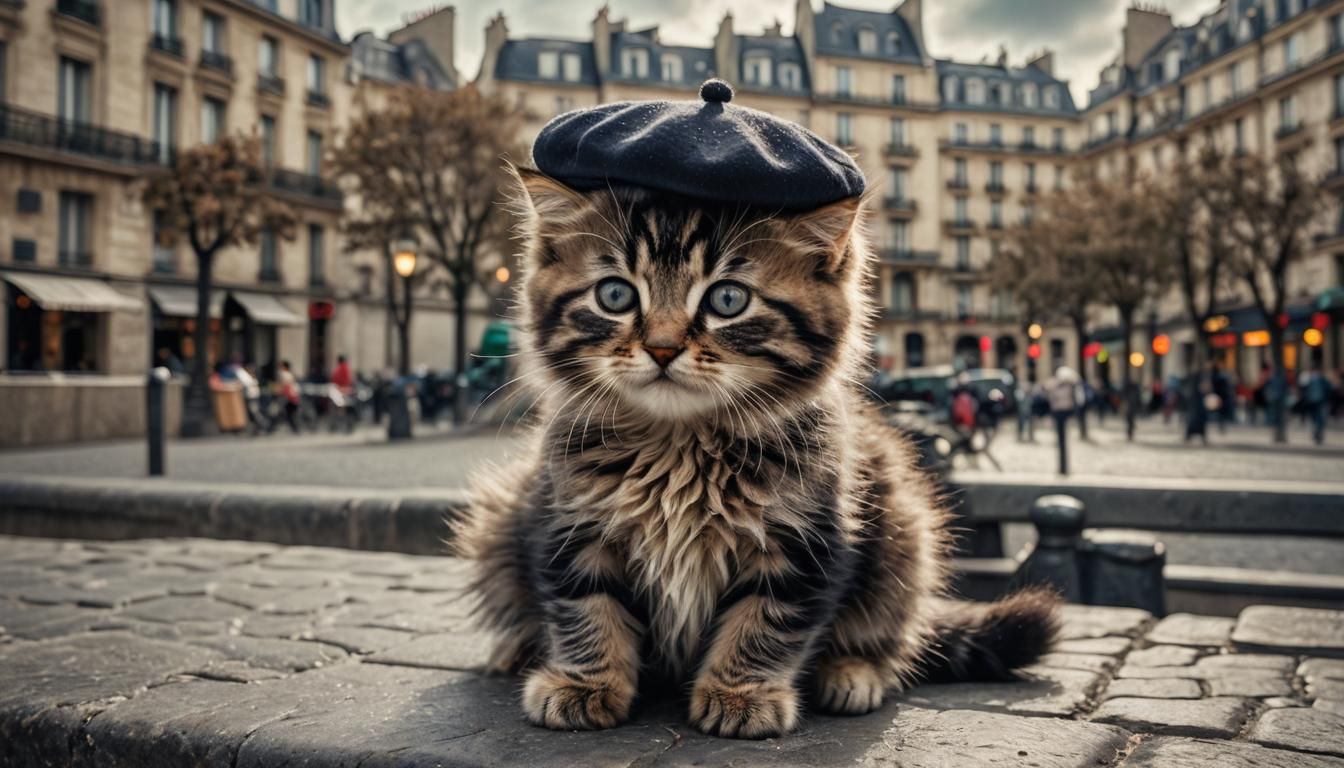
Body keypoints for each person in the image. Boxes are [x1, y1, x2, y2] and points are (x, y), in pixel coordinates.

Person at [1047, 366, 1080, 475]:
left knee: (1063, 440)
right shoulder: (1067, 386)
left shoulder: (1069, 386)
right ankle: (1063, 467)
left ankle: (1063, 467)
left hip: (1062, 413)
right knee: (1062, 440)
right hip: (1061, 413)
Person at [1302, 364, 1333, 445]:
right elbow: (1329, 390)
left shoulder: (1310, 380)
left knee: (1314, 419)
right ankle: (1318, 434)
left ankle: (1316, 434)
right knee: (1320, 419)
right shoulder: (1323, 380)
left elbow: (1305, 391)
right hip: (1321, 402)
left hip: (1312, 402)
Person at [276, 360, 301, 433]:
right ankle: (295, 428)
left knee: (288, 413)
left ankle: (294, 428)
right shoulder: (291, 374)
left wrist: (279, 391)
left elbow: (285, 386)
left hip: (289, 397)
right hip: (293, 395)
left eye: (281, 366)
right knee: (291, 413)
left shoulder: (284, 374)